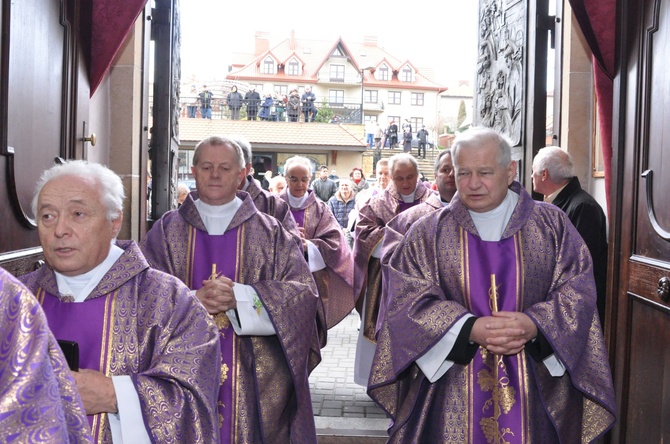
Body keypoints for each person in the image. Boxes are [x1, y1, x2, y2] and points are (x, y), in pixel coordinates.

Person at [368, 127, 616, 442]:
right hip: (450, 391)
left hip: (534, 390)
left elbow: (577, 291)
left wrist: (535, 324)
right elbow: (404, 302)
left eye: (484, 172)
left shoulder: (553, 226)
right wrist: (466, 328)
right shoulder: (426, 234)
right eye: (464, 173)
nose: (472, 184)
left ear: (510, 170)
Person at [20, 160, 220, 443]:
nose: (60, 229)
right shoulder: (15, 300)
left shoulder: (170, 302)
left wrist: (115, 396)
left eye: (78, 213)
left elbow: (194, 403)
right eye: (48, 216)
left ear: (115, 222)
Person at [140, 137, 320, 443]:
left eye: (225, 168)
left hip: (254, 374)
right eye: (207, 167)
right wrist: (191, 299)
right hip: (181, 368)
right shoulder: (166, 231)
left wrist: (243, 298)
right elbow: (140, 296)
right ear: (193, 171)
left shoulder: (271, 232)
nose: (214, 175)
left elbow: (302, 297)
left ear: (242, 174)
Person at [352, 153, 436, 386]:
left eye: (410, 177)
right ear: (391, 177)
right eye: (399, 178)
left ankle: (419, 379)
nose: (406, 183)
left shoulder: (432, 201)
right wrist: (396, 239)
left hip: (424, 277)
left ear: (418, 175)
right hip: (385, 278)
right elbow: (364, 233)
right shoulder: (378, 203)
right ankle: (381, 380)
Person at [0, 266, 93, 443]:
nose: (60, 235)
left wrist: (117, 394)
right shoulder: (22, 289)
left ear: (113, 235)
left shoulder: (11, 297)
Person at [376, 149, 457, 332]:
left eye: (457, 169)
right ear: (435, 176)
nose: (451, 174)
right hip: (422, 308)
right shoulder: (408, 217)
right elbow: (390, 259)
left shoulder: (482, 214)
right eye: (445, 170)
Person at [532, 145, 608, 325]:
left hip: (574, 305)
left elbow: (579, 264)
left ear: (544, 175)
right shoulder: (555, 203)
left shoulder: (583, 207)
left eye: (533, 171)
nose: (531, 176)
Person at [280, 156, 355, 336]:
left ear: (311, 178)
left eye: (304, 179)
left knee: (306, 333)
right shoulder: (273, 205)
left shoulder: (320, 209)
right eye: (293, 179)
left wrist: (309, 245)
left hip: (311, 280)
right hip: (279, 279)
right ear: (285, 178)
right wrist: (283, 238)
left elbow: (336, 243)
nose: (299, 184)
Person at [232, 135, 301, 246]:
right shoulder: (207, 202)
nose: (216, 174)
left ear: (247, 169)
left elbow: (293, 248)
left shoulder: (274, 205)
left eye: (226, 167)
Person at [327, 178, 356, 249]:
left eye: (346, 185)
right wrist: (341, 228)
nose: (344, 187)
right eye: (342, 185)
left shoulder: (357, 199)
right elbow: (330, 217)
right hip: (337, 233)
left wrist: (349, 230)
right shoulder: (332, 200)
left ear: (351, 187)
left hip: (353, 233)